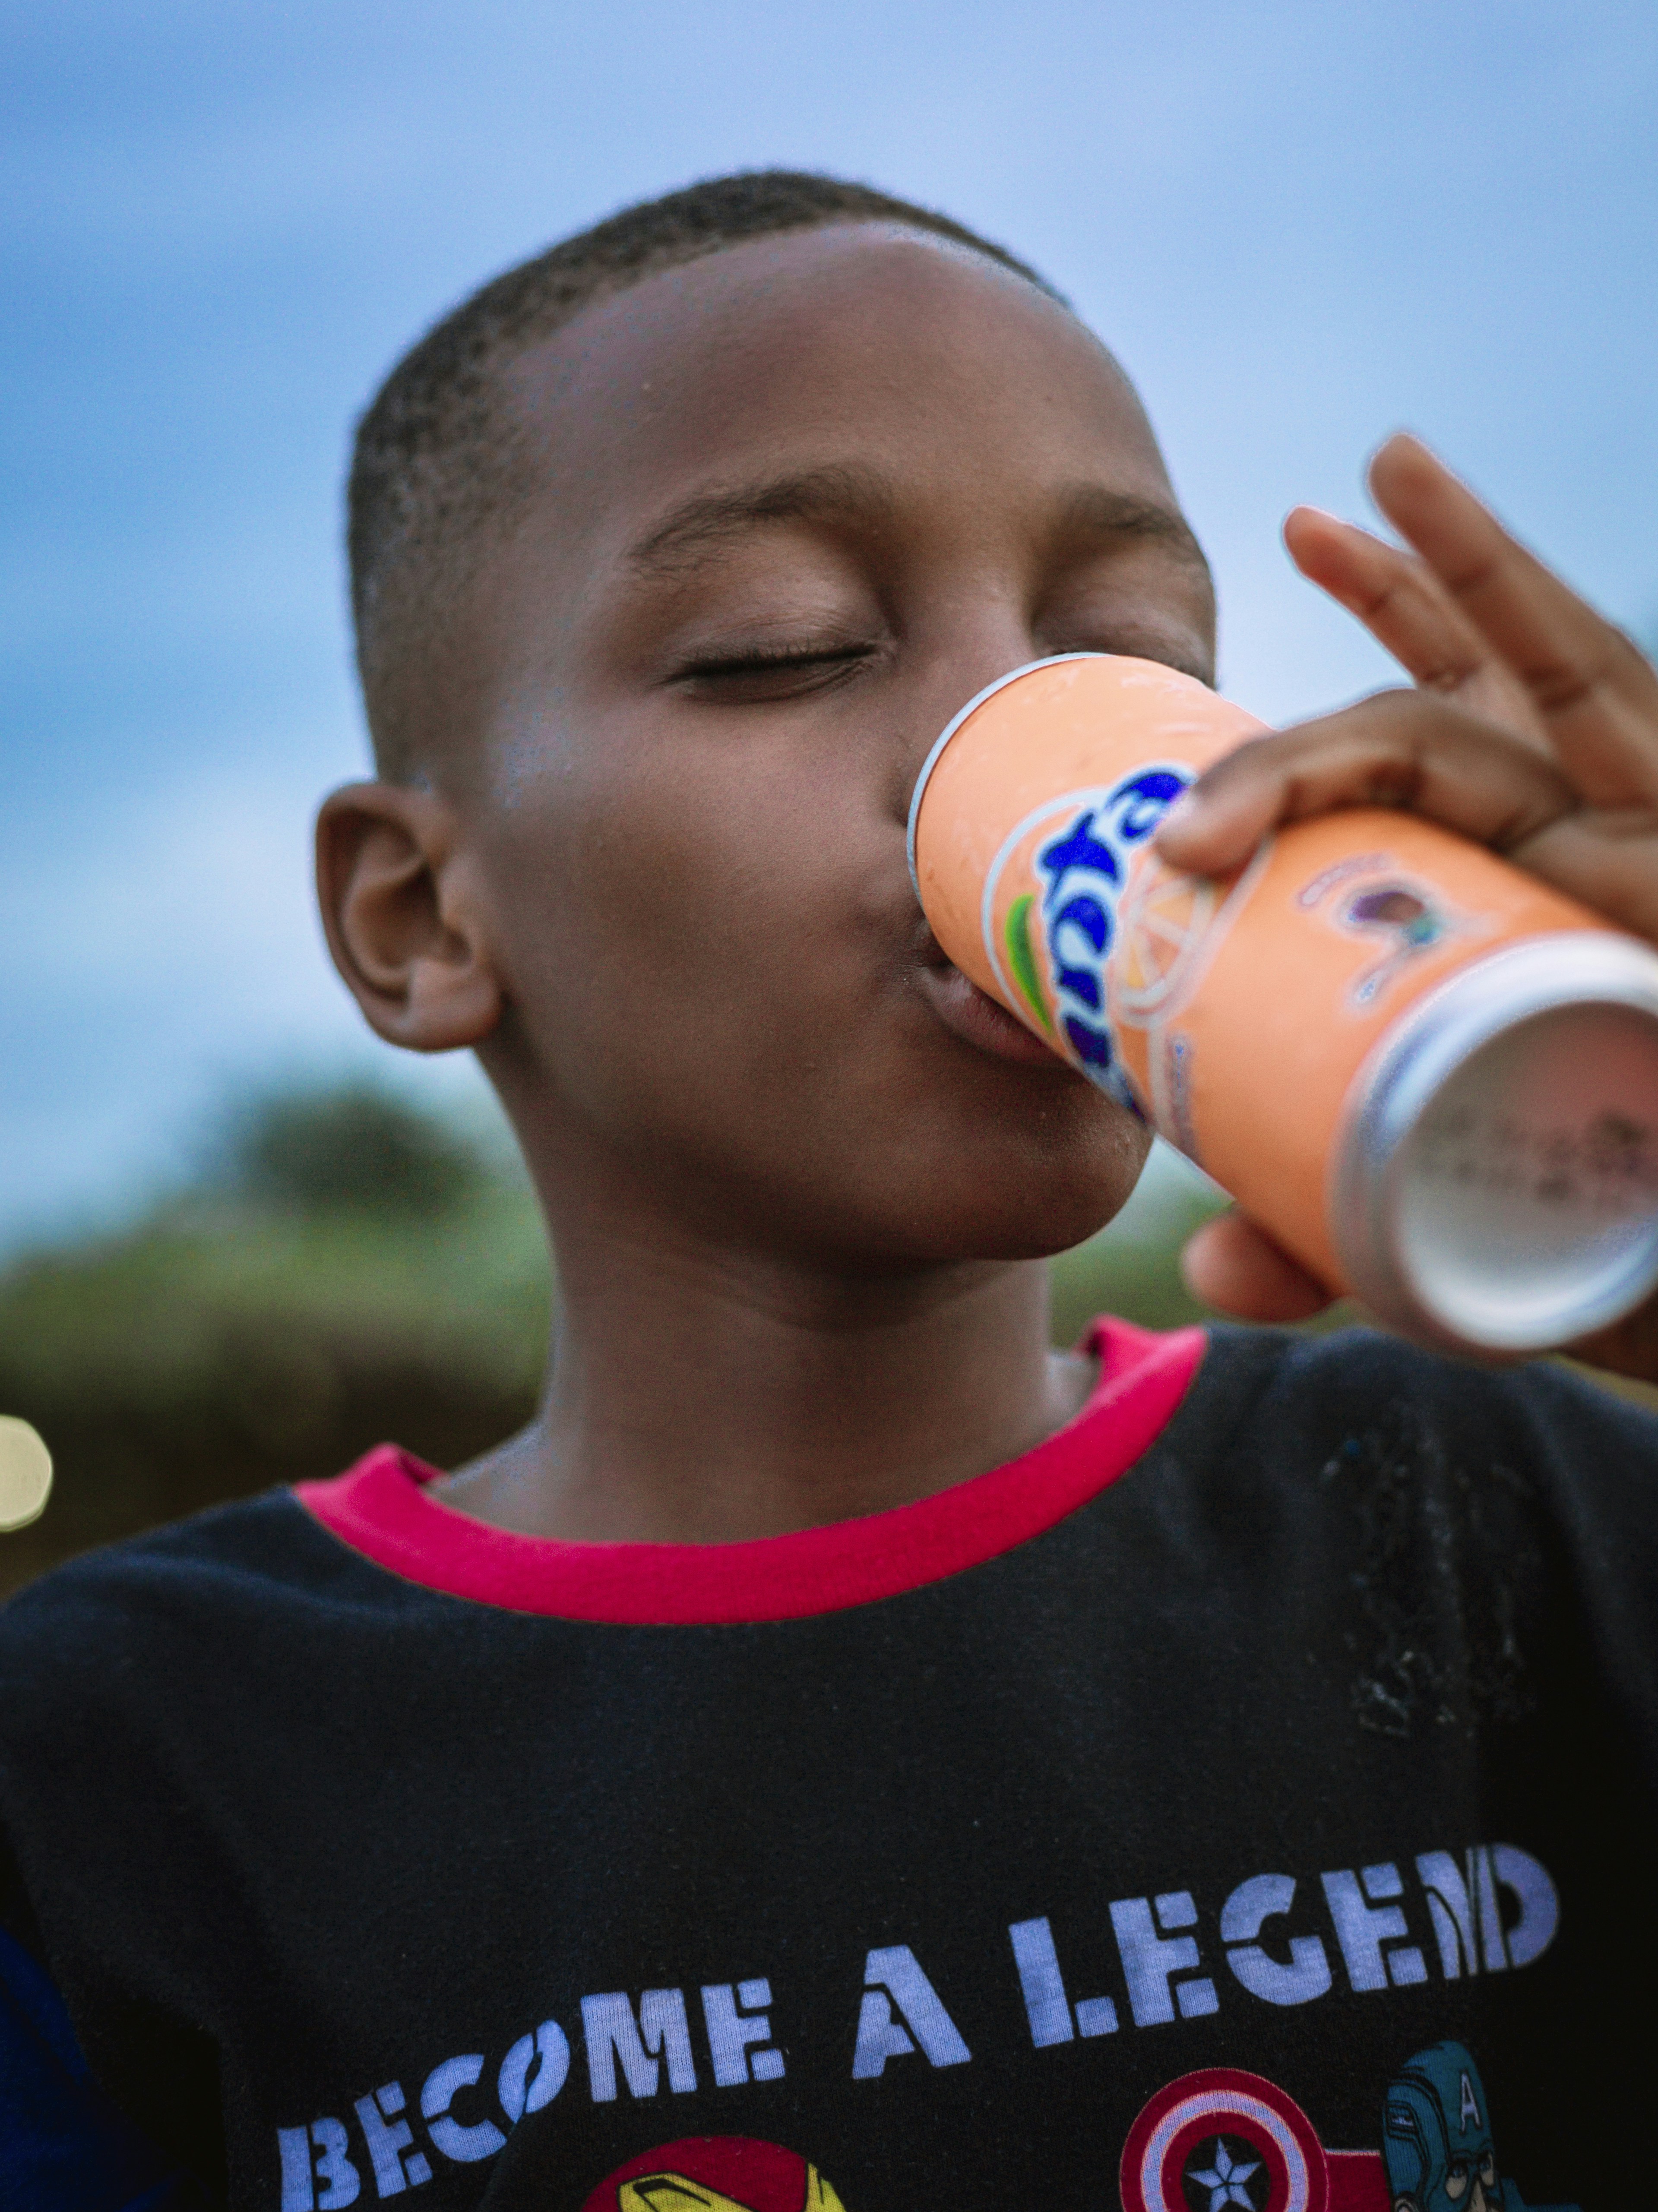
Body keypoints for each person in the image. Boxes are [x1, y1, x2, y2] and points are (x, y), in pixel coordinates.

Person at [3, 172, 1654, 2212]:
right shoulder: (124, 1773)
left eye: (1127, 657)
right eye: (782, 650)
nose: (998, 737)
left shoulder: (1520, 1521)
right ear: (424, 914)